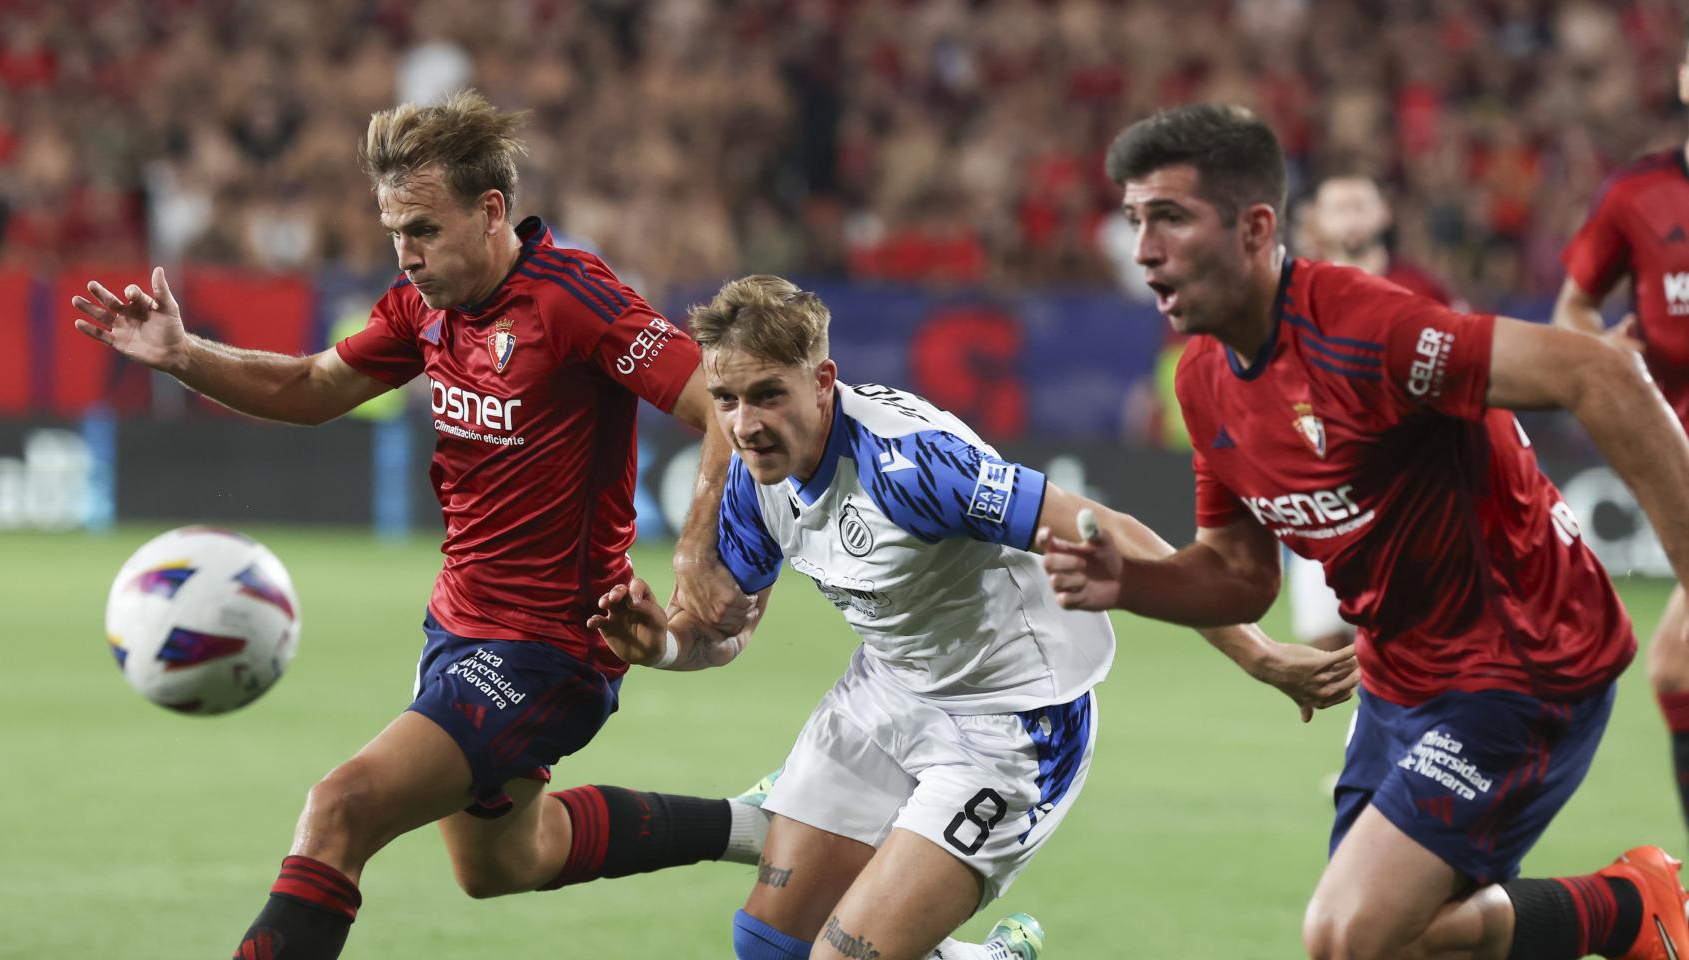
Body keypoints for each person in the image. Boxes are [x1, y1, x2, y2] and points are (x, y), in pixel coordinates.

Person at [72, 90, 763, 959]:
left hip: (551, 646)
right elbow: (312, 389)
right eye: (395, 230)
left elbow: (718, 400)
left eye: (425, 230)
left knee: (341, 809)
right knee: (505, 862)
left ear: (491, 211)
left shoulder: (573, 301)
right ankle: (762, 828)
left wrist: (698, 548)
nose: (407, 254)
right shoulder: (421, 304)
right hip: (457, 625)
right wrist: (183, 356)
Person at [1042, 103, 1689, 960]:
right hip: (1399, 674)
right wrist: (1134, 583)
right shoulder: (1202, 376)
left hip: (1525, 660)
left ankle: (1625, 910)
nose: (1143, 250)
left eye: (1170, 217)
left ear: (1255, 228)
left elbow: (1600, 370)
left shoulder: (1364, 328)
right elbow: (1242, 572)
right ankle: (1627, 908)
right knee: (1400, 946)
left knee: (1347, 935)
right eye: (1133, 220)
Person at [585, 275, 1359, 960]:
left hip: (1011, 725)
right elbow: (724, 635)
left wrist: (1257, 653)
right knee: (766, 941)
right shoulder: (758, 480)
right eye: (726, 401)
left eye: (768, 395)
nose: (745, 424)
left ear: (822, 381)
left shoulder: (912, 465)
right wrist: (665, 645)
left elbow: (1106, 529)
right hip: (887, 695)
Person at [1555, 42, 1689, 840]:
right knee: (1676, 669)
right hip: (1677, 462)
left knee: (1676, 665)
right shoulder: (1638, 193)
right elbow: (1572, 309)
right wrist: (1607, 353)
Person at [1284, 174, 1465, 654]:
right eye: (1337, 207)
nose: (1350, 216)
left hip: (1409, 497)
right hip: (1328, 495)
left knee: (1401, 647)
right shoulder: (1296, 293)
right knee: (1324, 648)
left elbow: (1462, 374)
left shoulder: (1424, 289)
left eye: (1359, 205)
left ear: (1384, 214)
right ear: (1317, 221)